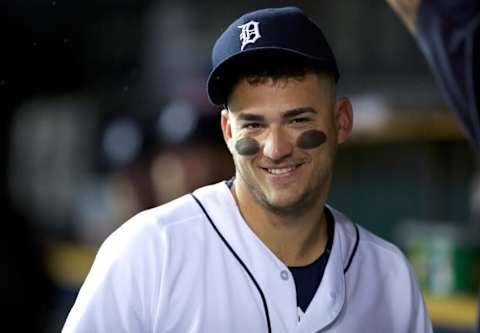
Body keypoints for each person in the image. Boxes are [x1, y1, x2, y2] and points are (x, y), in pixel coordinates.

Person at [62, 7, 433, 332]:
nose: (275, 149)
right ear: (227, 131)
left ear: (342, 121)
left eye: (298, 120)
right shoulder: (149, 251)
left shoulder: (390, 276)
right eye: (253, 125)